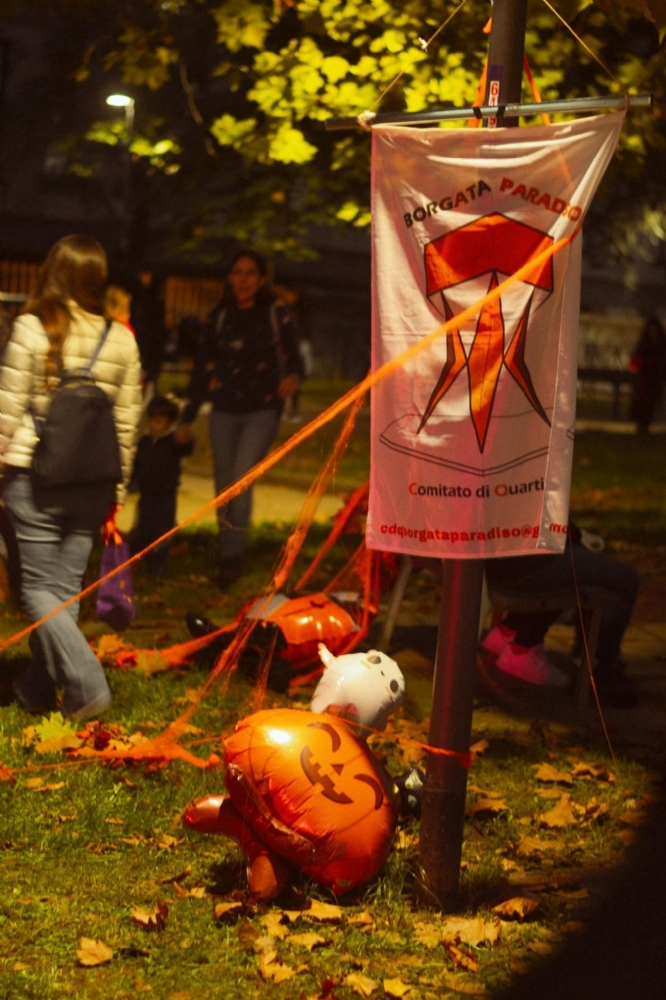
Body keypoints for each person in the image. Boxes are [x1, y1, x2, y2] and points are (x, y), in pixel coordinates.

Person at [0, 235, 142, 718]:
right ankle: (38, 687)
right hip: (93, 484)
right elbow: (127, 424)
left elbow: (7, 409)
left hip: (33, 479)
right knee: (62, 593)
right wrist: (116, 493)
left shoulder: (32, 329)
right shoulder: (122, 337)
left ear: (52, 271)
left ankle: (87, 685)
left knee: (38, 591)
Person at [177, 249, 303, 586]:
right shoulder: (220, 316)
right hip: (224, 411)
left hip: (261, 409)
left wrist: (292, 378)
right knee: (223, 486)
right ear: (230, 278)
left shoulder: (275, 314)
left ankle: (232, 558)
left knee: (241, 480)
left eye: (250, 273)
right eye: (237, 272)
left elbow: (295, 359)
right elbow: (203, 370)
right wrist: (186, 418)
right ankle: (226, 547)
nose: (243, 279)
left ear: (261, 280)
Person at [481, 520, 640, 707]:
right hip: (522, 562)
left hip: (494, 555)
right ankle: (597, 665)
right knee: (625, 578)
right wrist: (575, 534)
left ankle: (511, 630)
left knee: (574, 555)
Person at [131, 395, 193, 575]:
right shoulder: (145, 441)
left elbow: (186, 449)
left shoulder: (172, 442)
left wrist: (186, 439)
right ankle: (139, 559)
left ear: (169, 423)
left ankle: (157, 566)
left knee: (162, 530)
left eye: (158, 421)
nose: (153, 425)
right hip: (146, 494)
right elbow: (137, 463)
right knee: (143, 527)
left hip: (165, 495)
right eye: (151, 420)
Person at [629, 316, 666, 434]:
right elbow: (636, 361)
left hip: (655, 378)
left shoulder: (661, 344)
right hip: (645, 379)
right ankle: (642, 425)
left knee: (651, 402)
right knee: (643, 402)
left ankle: (645, 425)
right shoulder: (645, 344)